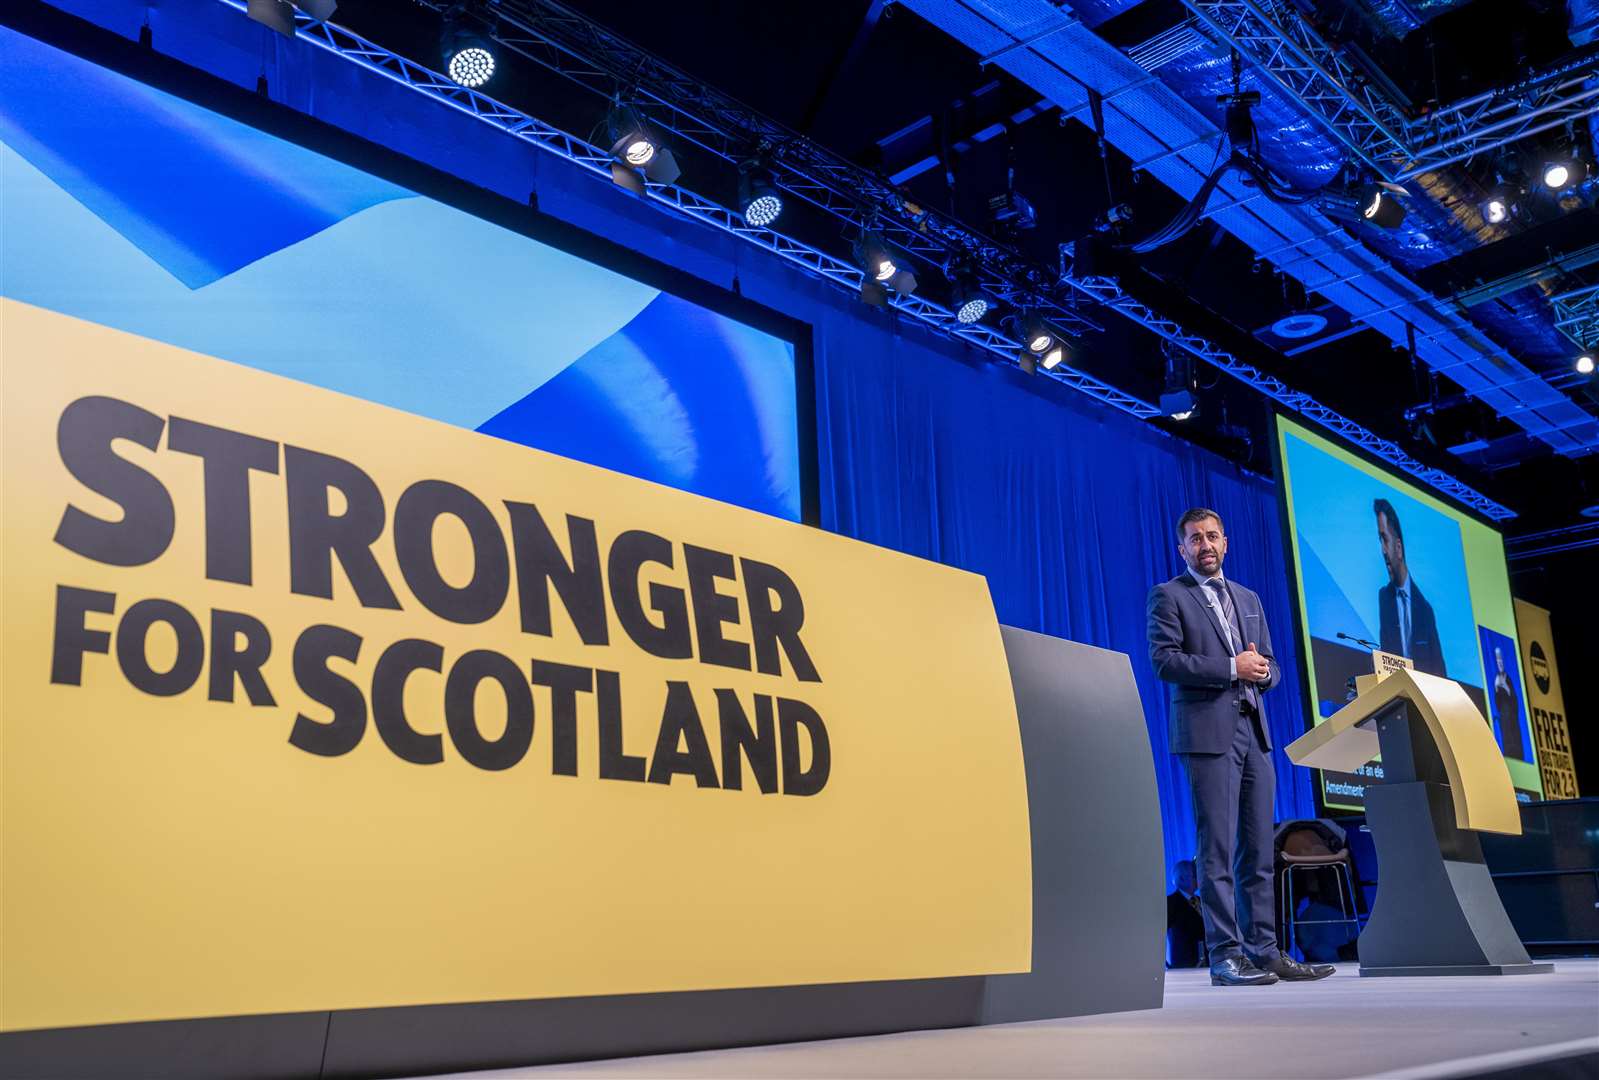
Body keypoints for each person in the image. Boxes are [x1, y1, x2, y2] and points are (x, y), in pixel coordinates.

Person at [1148, 508, 1334, 987]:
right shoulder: (1169, 596)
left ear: (1225, 543)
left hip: (1255, 733)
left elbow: (1268, 663)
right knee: (1217, 848)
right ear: (1182, 549)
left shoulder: (1248, 598)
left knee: (1258, 850)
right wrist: (1233, 668)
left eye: (1212, 536)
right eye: (1194, 539)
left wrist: (1263, 672)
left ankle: (1265, 951)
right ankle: (1225, 955)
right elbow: (1165, 662)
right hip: (1208, 735)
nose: (1204, 545)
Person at [1374, 499, 1445, 676]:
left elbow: (1440, 671)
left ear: (1398, 547)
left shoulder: (1425, 609)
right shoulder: (1384, 597)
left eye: (1385, 539)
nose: (1383, 550)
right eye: (1379, 540)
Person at [1167, 859, 1206, 969]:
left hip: (1207, 963)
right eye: (1194, 874)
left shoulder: (1203, 901)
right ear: (1181, 878)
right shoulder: (1169, 902)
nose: (1198, 878)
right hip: (1184, 966)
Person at [1491, 647, 1525, 759]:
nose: (1499, 664)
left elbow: (1514, 697)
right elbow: (1497, 701)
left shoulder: (1507, 678)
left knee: (1514, 733)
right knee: (1506, 734)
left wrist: (1505, 686)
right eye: (1497, 662)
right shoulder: (1497, 678)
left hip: (1511, 714)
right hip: (1504, 714)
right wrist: (1497, 688)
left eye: (1501, 662)